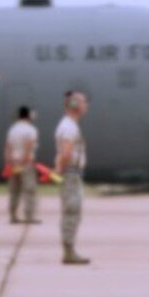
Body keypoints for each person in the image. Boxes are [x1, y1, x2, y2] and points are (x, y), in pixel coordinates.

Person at [54, 91, 91, 265]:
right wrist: (60, 170)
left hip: (71, 173)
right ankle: (69, 251)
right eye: (83, 102)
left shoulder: (69, 125)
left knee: (73, 212)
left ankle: (70, 249)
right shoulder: (69, 126)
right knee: (72, 211)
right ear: (74, 105)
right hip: (71, 173)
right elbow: (66, 152)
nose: (86, 105)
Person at [4, 105, 40, 224]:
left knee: (14, 191)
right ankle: (29, 216)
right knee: (29, 191)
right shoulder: (31, 130)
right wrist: (23, 161)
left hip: (13, 163)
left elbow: (8, 147)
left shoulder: (12, 129)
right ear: (29, 115)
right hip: (26, 164)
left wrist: (9, 162)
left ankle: (13, 215)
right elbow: (28, 147)